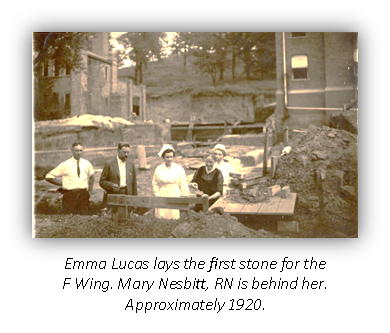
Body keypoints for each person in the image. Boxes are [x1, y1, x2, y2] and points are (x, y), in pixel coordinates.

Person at [45, 142, 95, 215]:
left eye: (81, 150)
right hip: (70, 195)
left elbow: (92, 176)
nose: (79, 153)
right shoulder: (65, 164)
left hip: (83, 195)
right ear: (71, 150)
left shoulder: (86, 163)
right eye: (76, 150)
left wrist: (90, 191)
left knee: (84, 217)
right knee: (69, 218)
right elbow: (48, 177)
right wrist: (63, 183)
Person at [152, 144, 189, 219]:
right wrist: (157, 194)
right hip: (163, 193)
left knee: (175, 214)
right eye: (167, 157)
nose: (169, 159)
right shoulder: (159, 169)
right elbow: (155, 183)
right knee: (163, 214)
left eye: (171, 157)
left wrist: (185, 195)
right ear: (163, 157)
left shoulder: (179, 168)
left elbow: (183, 182)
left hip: (175, 192)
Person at [99, 142, 138, 212]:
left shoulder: (130, 164)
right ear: (118, 150)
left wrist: (135, 200)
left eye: (128, 152)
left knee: (127, 215)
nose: (126, 155)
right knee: (113, 215)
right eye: (124, 152)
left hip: (127, 193)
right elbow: (102, 182)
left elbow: (134, 184)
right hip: (114, 194)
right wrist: (111, 185)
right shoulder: (109, 164)